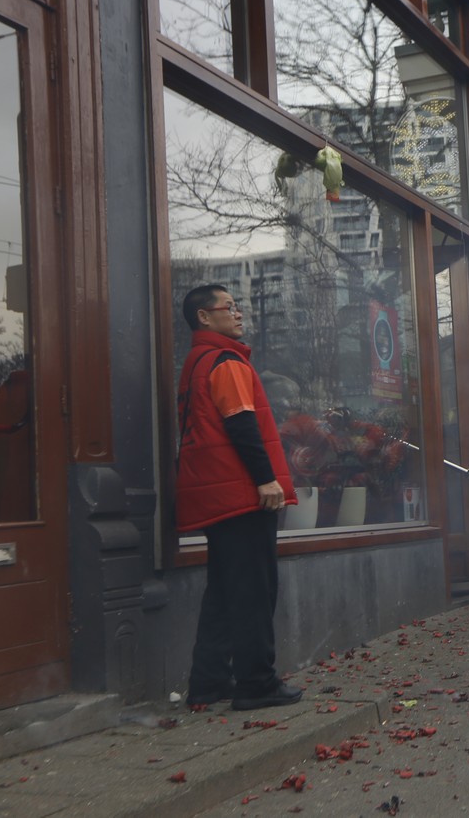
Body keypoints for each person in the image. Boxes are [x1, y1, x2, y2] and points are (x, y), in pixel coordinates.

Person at [176, 285, 302, 711]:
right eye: (228, 307)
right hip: (241, 493)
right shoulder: (226, 361)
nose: (238, 313)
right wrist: (266, 480)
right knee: (254, 591)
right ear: (203, 317)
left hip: (216, 494)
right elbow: (241, 424)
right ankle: (256, 684)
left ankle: (209, 681)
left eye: (237, 306)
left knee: (224, 591)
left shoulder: (196, 362)